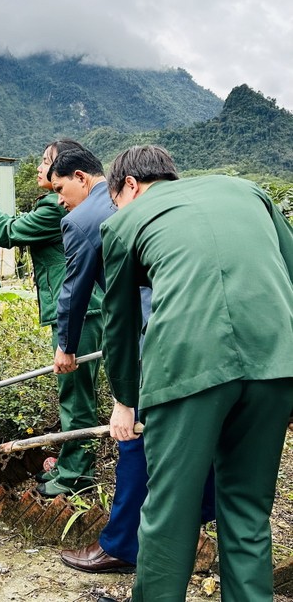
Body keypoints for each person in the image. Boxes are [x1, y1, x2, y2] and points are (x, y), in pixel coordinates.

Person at [100, 146, 293, 602]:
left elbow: (120, 323)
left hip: (187, 367)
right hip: (276, 362)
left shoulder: (123, 223)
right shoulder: (247, 191)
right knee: (247, 511)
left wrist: (124, 401)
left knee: (171, 513)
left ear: (129, 185)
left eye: (114, 200)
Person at [50, 147, 214, 575]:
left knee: (134, 437)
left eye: (61, 187)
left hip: (154, 340)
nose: (59, 199)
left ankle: (123, 543)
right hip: (210, 339)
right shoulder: (197, 203)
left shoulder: (90, 221)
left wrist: (66, 347)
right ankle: (195, 519)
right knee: (208, 431)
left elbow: (81, 293)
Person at [0, 139, 103, 495]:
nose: (39, 169)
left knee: (76, 396)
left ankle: (75, 475)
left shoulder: (56, 208)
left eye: (46, 163)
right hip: (78, 308)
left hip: (80, 310)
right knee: (74, 393)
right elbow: (17, 221)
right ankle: (71, 464)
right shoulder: (53, 204)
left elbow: (12, 232)